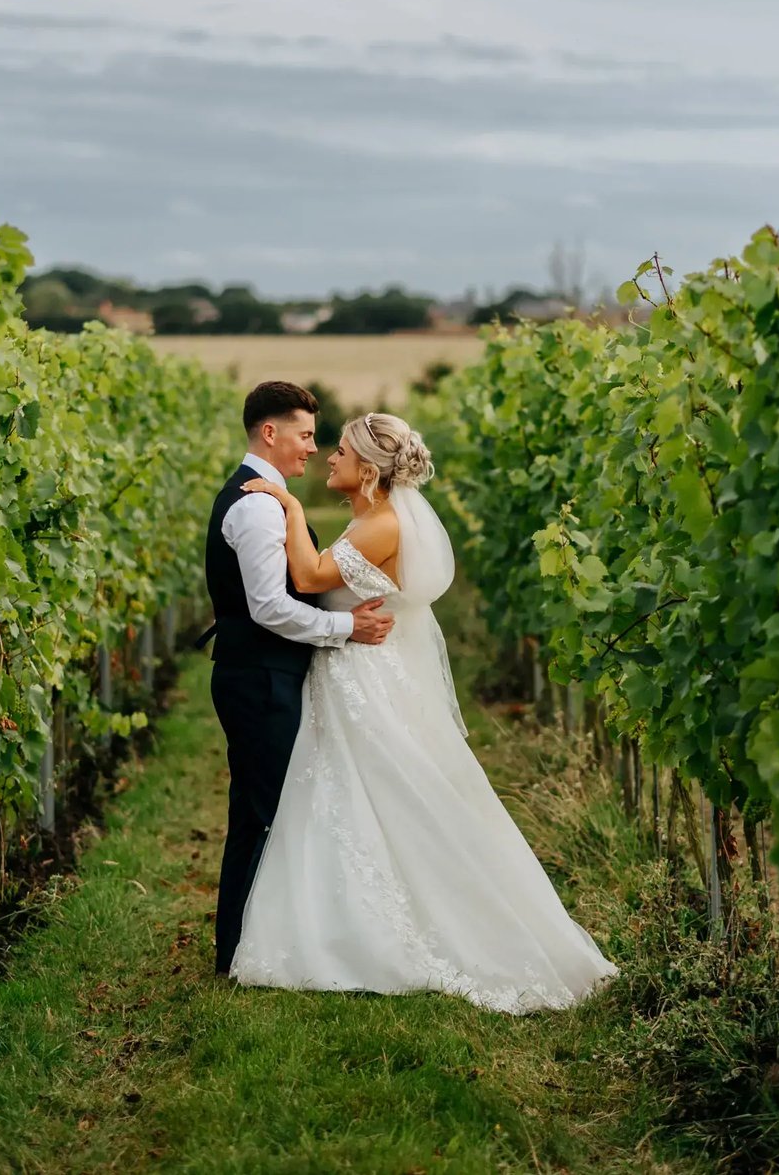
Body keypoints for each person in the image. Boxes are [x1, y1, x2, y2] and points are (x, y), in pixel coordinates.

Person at [226, 410, 617, 1013]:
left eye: (342, 451)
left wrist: (293, 510)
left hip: (362, 673)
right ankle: (344, 918)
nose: (330, 456)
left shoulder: (380, 526)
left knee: (386, 795)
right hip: (351, 668)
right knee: (352, 797)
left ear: (369, 470)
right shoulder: (372, 518)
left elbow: (306, 576)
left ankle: (381, 930)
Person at [200, 382, 395, 979]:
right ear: (271, 433)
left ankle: (255, 942)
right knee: (262, 815)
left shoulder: (271, 500)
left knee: (268, 811)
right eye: (306, 435)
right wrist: (346, 627)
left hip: (265, 673)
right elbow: (269, 609)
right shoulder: (258, 504)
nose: (313, 448)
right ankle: (239, 952)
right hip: (259, 676)